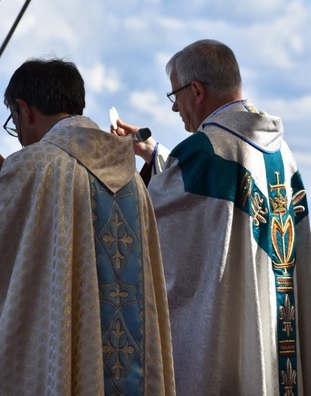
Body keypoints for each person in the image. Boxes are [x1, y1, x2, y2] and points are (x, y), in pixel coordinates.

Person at [0, 58, 175, 396]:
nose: (18, 134)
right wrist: (7, 182)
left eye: (14, 122)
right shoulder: (131, 176)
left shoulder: (33, 165)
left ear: (24, 109)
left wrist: (7, 185)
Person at [112, 39, 311, 396]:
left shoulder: (205, 151)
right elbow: (204, 196)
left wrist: (108, 169)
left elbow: (146, 220)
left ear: (197, 91)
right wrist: (155, 153)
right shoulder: (280, 150)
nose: (174, 109)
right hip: (276, 321)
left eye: (174, 95)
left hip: (231, 330)